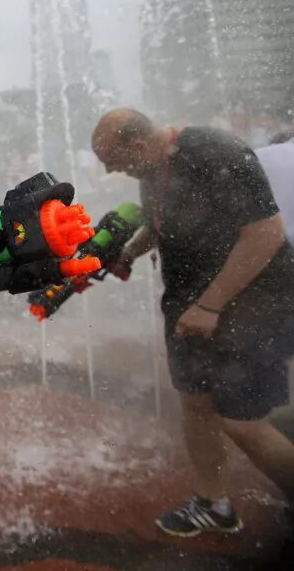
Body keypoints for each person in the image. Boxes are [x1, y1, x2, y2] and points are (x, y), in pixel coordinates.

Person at [92, 108, 294, 538]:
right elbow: (159, 223)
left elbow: (266, 233)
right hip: (188, 305)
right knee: (195, 403)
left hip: (251, 305)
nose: (111, 170)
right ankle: (213, 504)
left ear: (140, 146)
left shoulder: (216, 152)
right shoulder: (153, 169)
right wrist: (126, 253)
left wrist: (210, 306)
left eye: (114, 159)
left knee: (244, 424)